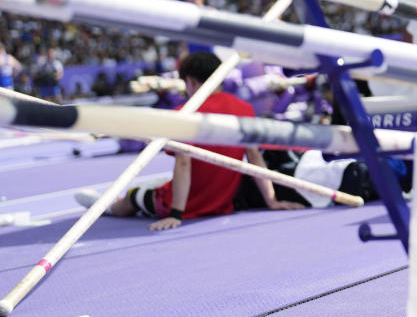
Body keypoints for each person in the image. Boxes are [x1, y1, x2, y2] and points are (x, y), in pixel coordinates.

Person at [76, 51, 305, 230]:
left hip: (187, 204)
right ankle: (122, 197)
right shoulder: (244, 109)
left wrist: (176, 214)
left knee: (132, 200)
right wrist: (272, 200)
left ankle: (107, 206)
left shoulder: (184, 113)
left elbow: (183, 163)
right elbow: (255, 158)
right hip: (222, 203)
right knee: (158, 184)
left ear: (190, 81)